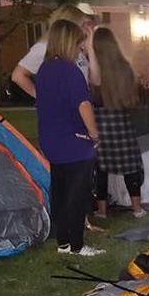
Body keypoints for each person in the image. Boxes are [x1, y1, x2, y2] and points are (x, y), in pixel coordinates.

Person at [35, 19, 102, 261]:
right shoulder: (70, 71)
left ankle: (62, 241)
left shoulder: (44, 70)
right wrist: (94, 133)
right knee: (78, 194)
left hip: (52, 140)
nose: (80, 48)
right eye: (78, 43)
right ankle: (77, 245)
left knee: (60, 193)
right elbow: (83, 104)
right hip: (75, 142)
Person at [89, 27, 145, 219]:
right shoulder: (126, 68)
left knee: (101, 169)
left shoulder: (95, 69)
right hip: (122, 122)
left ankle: (102, 210)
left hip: (100, 123)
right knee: (130, 167)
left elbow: (95, 82)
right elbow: (134, 99)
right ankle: (137, 208)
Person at [11, 4, 96, 98]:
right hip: (63, 109)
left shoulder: (75, 48)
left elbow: (95, 80)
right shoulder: (44, 48)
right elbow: (18, 75)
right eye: (82, 25)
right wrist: (42, 98)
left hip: (81, 105)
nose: (85, 30)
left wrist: (90, 48)